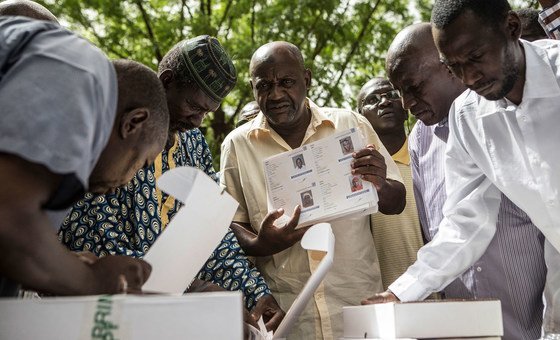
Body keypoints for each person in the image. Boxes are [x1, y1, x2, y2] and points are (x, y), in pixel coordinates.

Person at [58, 36, 284, 330]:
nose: (198, 120)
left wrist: (253, 294)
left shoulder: (193, 143)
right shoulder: (112, 129)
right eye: (193, 106)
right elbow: (95, 235)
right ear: (167, 81)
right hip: (114, 317)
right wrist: (187, 295)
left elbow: (212, 230)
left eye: (207, 113)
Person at [366, 1, 560, 334]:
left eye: (475, 57)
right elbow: (465, 222)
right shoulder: (467, 116)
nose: (469, 78)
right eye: (454, 66)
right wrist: (403, 291)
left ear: (511, 28)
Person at [220, 41, 406, 339]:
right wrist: (261, 244)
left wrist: (381, 182)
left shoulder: (349, 123)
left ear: (306, 79)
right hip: (289, 315)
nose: (276, 94)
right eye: (264, 86)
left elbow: (396, 202)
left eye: (286, 82)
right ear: (253, 89)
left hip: (357, 307)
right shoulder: (237, 145)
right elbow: (230, 223)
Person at [0, 17, 169, 296]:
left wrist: (65, 266)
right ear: (133, 122)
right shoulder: (80, 70)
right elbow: (9, 220)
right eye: (142, 163)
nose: (128, 182)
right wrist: (93, 280)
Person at [356, 77, 424, 291]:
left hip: (439, 291)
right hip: (385, 297)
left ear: (405, 108)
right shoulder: (356, 174)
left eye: (392, 95)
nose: (384, 102)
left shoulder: (428, 159)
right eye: (373, 99)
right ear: (360, 118)